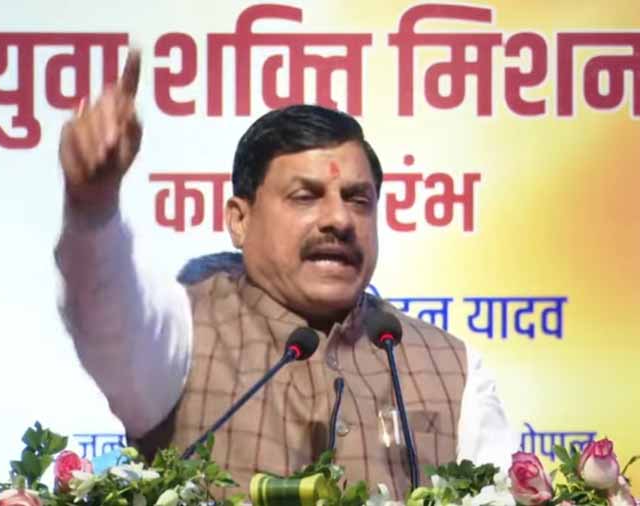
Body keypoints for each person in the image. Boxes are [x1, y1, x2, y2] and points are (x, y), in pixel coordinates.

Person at [55, 51, 514, 498]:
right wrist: (92, 207)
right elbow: (104, 313)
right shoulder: (188, 331)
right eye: (305, 196)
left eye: (358, 200)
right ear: (240, 220)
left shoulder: (449, 366)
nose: (339, 219)